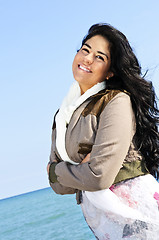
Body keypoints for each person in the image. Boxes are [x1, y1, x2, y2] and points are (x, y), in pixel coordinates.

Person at [47, 23, 159, 239]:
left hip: (137, 212)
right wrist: (79, 171)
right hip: (102, 222)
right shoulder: (62, 117)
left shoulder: (117, 101)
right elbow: (59, 188)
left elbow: (99, 177)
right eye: (85, 50)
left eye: (99, 57)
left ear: (110, 71)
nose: (87, 58)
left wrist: (57, 170)